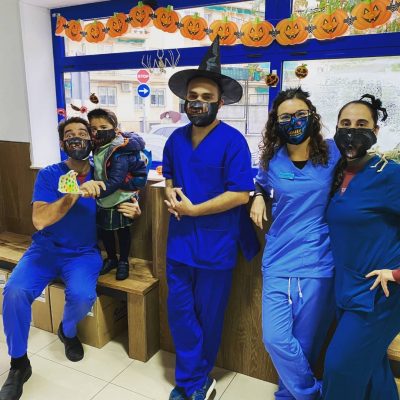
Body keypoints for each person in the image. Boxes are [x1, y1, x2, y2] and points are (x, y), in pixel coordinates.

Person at [0, 117, 141, 400]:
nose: (77, 138)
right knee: (14, 291)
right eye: (70, 134)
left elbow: (124, 199)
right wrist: (73, 195)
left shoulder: (104, 173)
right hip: (45, 249)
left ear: (92, 140)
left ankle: (67, 331)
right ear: (62, 143)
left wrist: (133, 210)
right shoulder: (50, 174)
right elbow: (40, 220)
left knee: (82, 296)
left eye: (83, 133)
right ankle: (19, 363)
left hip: (83, 252)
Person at [163, 37, 259, 400]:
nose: (198, 102)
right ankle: (193, 380)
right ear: (184, 100)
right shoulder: (175, 139)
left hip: (216, 244)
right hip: (179, 243)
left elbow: (240, 194)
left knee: (209, 315)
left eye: (206, 96)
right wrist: (171, 193)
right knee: (180, 313)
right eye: (193, 96)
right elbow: (169, 175)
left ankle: (194, 380)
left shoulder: (233, 141)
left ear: (220, 102)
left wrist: (195, 210)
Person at [250, 88, 341, 400]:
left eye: (300, 114)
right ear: (276, 122)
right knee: (275, 339)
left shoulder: (333, 154)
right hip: (278, 259)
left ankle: (287, 396)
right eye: (285, 117)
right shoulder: (272, 160)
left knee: (305, 345)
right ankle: (311, 393)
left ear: (312, 116)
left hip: (318, 262)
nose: (294, 121)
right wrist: (258, 196)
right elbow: (259, 183)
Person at [323, 95, 400, 400]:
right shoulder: (338, 172)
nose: (352, 131)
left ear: (375, 131)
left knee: (339, 369)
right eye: (345, 123)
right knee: (371, 368)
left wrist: (397, 274)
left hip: (379, 295)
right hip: (346, 288)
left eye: (361, 124)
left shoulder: (389, 175)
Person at [88, 108, 150, 280]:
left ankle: (123, 261)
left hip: (120, 196)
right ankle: (111, 258)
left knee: (123, 231)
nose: (98, 131)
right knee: (106, 230)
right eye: (94, 128)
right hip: (105, 196)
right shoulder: (98, 146)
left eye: (103, 127)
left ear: (115, 128)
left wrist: (95, 193)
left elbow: (116, 180)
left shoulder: (120, 151)